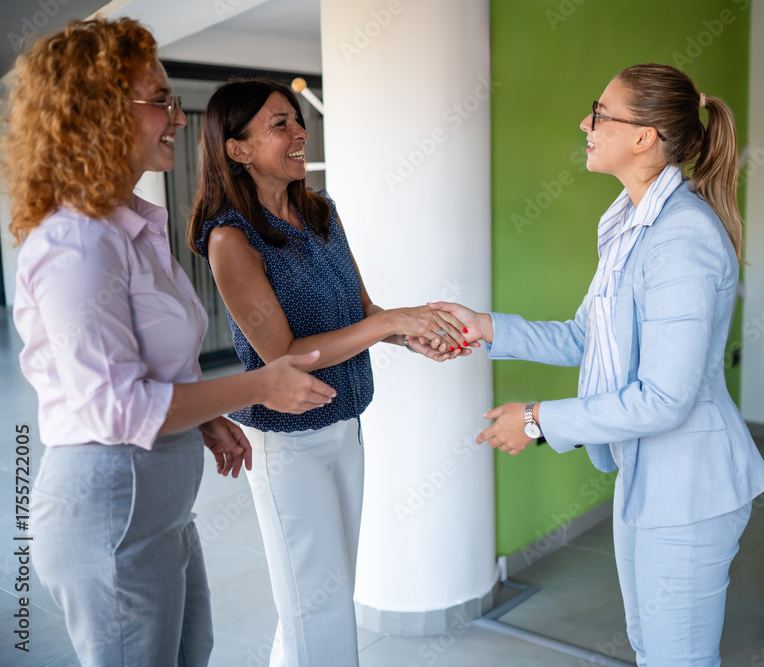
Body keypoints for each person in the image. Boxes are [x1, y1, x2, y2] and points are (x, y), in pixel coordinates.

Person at [5, 18, 337, 667]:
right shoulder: (76, 245)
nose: (178, 118)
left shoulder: (132, 227)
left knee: (192, 652)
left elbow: (150, 362)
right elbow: (116, 408)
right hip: (107, 513)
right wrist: (260, 385)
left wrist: (209, 415)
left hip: (159, 505)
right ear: (96, 113)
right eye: (159, 100)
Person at [432, 64, 764, 666]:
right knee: (650, 649)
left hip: (691, 488)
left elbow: (666, 399)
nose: (584, 123)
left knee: (677, 659)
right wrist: (486, 328)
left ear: (644, 137)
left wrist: (538, 419)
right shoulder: (629, 226)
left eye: (601, 112)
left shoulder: (681, 237)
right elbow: (587, 339)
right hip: (643, 475)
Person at [186, 78, 465, 666]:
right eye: (279, 124)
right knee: (320, 611)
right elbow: (283, 354)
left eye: (297, 120)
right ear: (236, 150)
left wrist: (414, 335)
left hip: (345, 428)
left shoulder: (321, 212)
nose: (298, 133)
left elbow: (364, 313)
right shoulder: (231, 240)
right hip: (288, 442)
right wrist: (392, 324)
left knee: (321, 601)